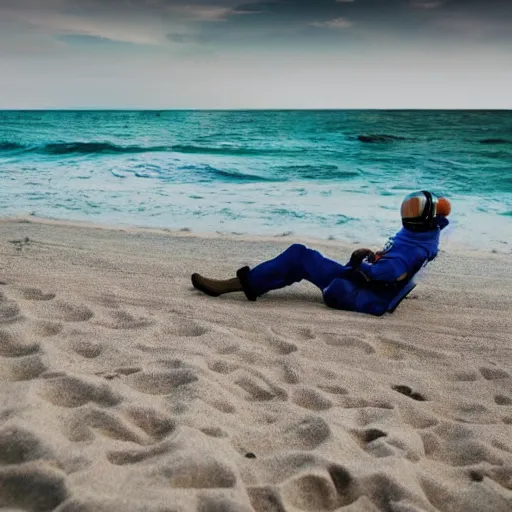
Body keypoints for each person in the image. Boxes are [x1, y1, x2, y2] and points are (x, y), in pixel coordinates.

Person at [191, 191, 451, 316]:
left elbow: (391, 272)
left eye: (413, 210)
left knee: (298, 258)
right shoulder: (422, 234)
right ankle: (244, 284)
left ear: (424, 218)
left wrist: (360, 261)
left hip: (351, 293)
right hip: (358, 283)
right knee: (299, 254)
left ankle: (234, 286)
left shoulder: (415, 247)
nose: (407, 214)